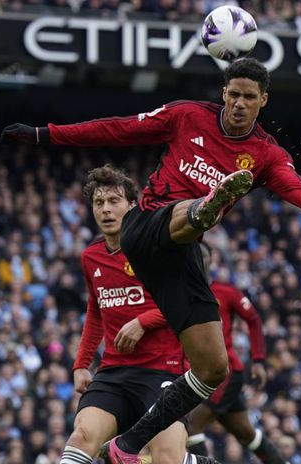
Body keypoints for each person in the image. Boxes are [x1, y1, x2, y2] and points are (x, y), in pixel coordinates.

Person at [0, 58, 301, 464]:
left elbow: (297, 188)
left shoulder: (265, 154)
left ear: (263, 100)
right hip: (145, 227)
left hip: (182, 254)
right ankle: (204, 207)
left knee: (212, 368)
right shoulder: (187, 116)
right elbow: (119, 128)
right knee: (186, 214)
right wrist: (45, 135)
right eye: (233, 95)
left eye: (249, 97)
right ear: (223, 93)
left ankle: (126, 447)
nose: (239, 104)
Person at [62, 165, 216, 464]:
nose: (106, 210)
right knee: (81, 438)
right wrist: (81, 364)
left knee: (166, 458)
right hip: (115, 373)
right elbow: (96, 309)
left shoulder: (158, 248)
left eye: (114, 201)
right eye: (99, 203)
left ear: (132, 206)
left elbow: (191, 300)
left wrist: (142, 322)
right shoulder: (90, 256)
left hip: (163, 369)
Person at [185, 243, 286, 464]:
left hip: (225, 373)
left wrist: (258, 360)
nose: (200, 261)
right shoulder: (182, 292)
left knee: (191, 426)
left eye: (204, 256)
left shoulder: (226, 291)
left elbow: (254, 319)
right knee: (246, 434)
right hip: (198, 372)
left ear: (212, 261)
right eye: (195, 256)